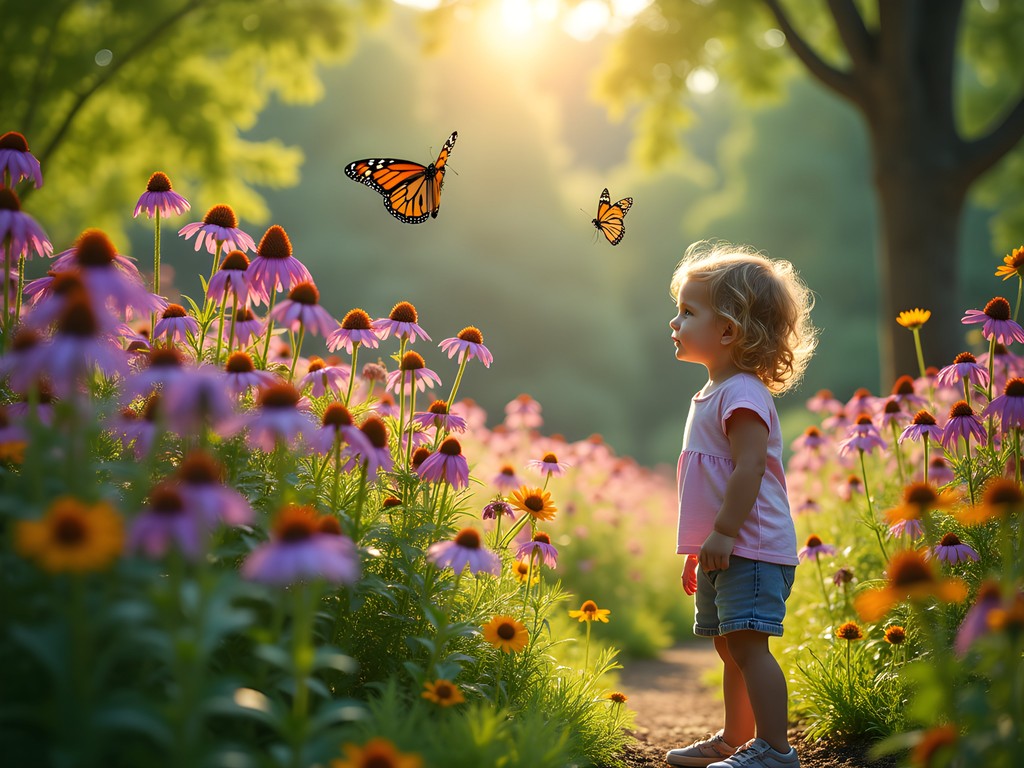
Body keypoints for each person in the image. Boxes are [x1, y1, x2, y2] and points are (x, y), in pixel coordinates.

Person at [664, 241, 818, 768]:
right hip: (726, 546)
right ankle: (735, 741)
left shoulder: (743, 394)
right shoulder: (714, 392)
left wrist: (726, 533)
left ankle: (774, 750)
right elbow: (714, 479)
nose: (675, 322)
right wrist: (700, 547)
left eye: (688, 312)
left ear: (728, 330)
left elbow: (750, 468)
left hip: (749, 545)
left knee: (750, 648)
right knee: (730, 647)